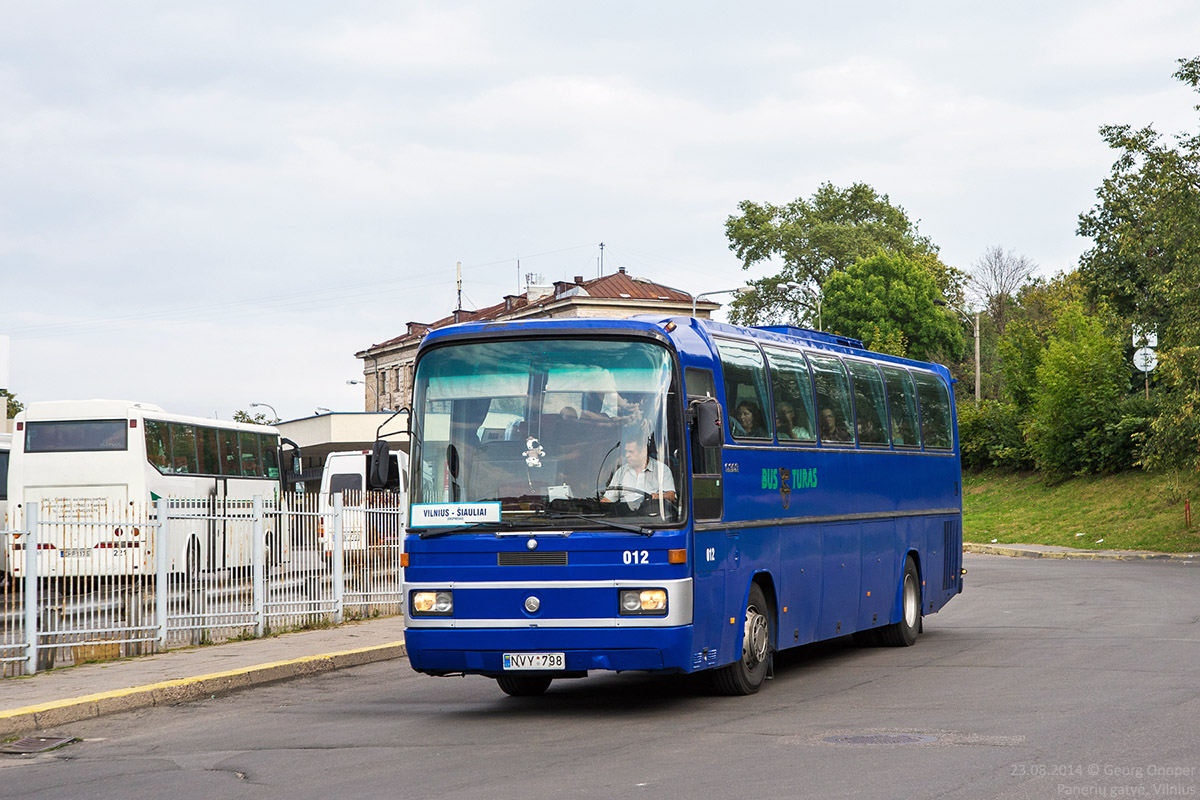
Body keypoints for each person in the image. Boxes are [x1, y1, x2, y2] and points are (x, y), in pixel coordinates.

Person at [601, 434, 676, 508]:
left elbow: (671, 495)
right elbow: (608, 499)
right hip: (624, 516)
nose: (627, 455)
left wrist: (656, 497)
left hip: (652, 515)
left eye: (631, 452)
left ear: (643, 452)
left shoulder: (661, 469)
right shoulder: (621, 472)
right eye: (626, 451)